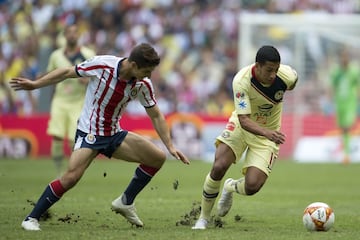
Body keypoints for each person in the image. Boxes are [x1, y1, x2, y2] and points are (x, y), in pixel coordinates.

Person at [10, 43, 190, 231]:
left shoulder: (142, 84)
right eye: (147, 70)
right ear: (134, 65)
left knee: (157, 158)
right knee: (71, 178)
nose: (149, 76)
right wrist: (35, 84)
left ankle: (125, 202)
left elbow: (155, 115)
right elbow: (66, 72)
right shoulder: (103, 65)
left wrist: (170, 146)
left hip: (113, 133)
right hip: (90, 133)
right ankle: (31, 218)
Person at [192, 45, 298, 229]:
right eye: (269, 70)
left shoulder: (286, 76)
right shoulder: (241, 81)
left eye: (276, 70)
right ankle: (203, 218)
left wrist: (268, 133)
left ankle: (230, 187)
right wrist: (267, 133)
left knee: (252, 186)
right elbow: (244, 119)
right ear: (257, 66)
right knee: (219, 166)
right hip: (244, 127)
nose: (273, 75)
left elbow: (294, 81)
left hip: (267, 136)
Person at [46, 24, 95, 175]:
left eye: (75, 32)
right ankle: (59, 171)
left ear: (78, 35)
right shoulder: (56, 56)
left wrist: (86, 81)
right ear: (65, 35)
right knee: (57, 135)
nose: (72, 35)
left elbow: (97, 76)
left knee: (76, 138)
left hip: (79, 101)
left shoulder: (88, 54)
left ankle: (73, 170)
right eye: (69, 33)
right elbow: (51, 76)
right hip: (60, 100)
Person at [330, 47, 360, 164]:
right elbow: (332, 85)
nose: (344, 59)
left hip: (350, 103)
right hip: (339, 103)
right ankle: (345, 152)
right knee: (343, 129)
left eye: (346, 57)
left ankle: (346, 154)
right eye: (342, 57)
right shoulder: (336, 72)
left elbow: (357, 84)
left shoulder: (354, 71)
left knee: (347, 126)